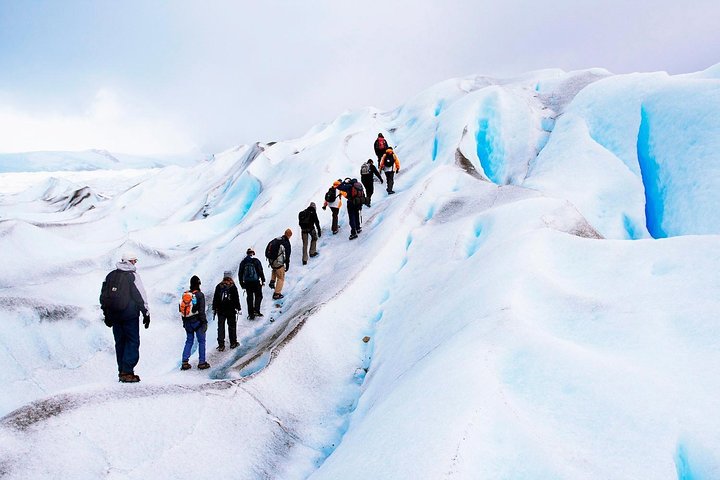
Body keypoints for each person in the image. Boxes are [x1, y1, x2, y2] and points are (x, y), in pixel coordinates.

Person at [100, 252, 150, 383]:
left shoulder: (110, 276)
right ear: (130, 261)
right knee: (132, 341)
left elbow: (103, 296)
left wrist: (106, 314)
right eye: (134, 261)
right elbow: (140, 295)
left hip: (115, 316)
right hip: (130, 316)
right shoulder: (132, 276)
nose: (135, 263)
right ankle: (127, 372)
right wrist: (146, 312)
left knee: (120, 342)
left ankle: (121, 370)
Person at [180, 275, 210, 371]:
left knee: (189, 341)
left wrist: (184, 322)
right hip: (197, 322)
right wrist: (204, 322)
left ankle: (185, 362)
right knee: (201, 341)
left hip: (187, 322)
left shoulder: (186, 294)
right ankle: (202, 362)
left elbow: (183, 309)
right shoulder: (200, 295)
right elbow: (201, 311)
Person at [212, 271, 241, 351]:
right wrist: (238, 308)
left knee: (221, 327)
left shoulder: (219, 286)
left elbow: (215, 299)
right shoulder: (232, 286)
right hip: (230, 310)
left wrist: (214, 308)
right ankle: (233, 343)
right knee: (232, 326)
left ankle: (221, 345)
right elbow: (236, 298)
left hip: (220, 310)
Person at [238, 247, 266, 319]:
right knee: (259, 295)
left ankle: (251, 314)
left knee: (250, 298)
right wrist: (263, 280)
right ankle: (256, 310)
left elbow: (240, 273)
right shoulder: (256, 261)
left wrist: (242, 284)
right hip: (256, 282)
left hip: (247, 283)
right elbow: (260, 270)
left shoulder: (243, 262)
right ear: (253, 253)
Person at [267, 229, 292, 300]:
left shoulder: (277, 240)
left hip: (272, 261)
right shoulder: (285, 242)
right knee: (281, 278)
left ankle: (272, 281)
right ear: (290, 235)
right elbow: (287, 254)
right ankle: (277, 294)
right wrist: (287, 264)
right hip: (278, 262)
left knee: (275, 269)